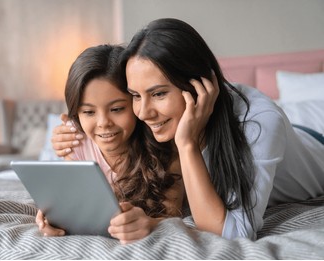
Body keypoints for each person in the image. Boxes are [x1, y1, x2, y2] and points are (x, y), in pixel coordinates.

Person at [51, 18, 324, 240]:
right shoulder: (154, 122)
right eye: (135, 95)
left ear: (198, 86)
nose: (144, 113)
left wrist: (187, 143)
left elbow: (234, 232)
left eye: (158, 94)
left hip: (314, 149)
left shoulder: (258, 123)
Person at [36, 44, 184, 244]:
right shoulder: (76, 143)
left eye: (116, 109)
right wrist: (54, 216)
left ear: (135, 102)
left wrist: (150, 223)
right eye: (89, 112)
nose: (103, 123)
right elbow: (76, 204)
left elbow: (169, 215)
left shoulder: (165, 145)